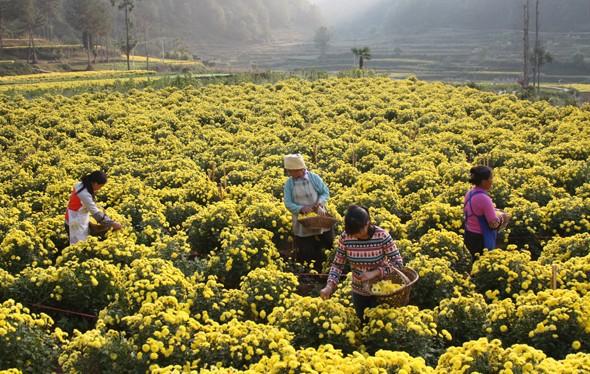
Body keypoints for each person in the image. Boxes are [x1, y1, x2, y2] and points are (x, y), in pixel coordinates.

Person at [320, 205, 403, 322]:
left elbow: (398, 263)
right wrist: (329, 286)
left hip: (383, 293)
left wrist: (376, 272)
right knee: (362, 323)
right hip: (358, 291)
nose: (355, 235)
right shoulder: (346, 237)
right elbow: (337, 265)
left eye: (358, 231)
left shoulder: (382, 236)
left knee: (382, 326)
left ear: (367, 223)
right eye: (352, 232)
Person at [283, 154, 333, 272]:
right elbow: (288, 203)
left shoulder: (313, 178)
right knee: (306, 250)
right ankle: (311, 273)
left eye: (292, 171)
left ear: (299, 169)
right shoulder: (289, 184)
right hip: (302, 221)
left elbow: (325, 192)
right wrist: (301, 208)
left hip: (320, 216)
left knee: (328, 243)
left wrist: (320, 203)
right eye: (289, 171)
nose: (290, 174)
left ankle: (329, 268)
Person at [463, 166, 509, 259]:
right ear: (484, 181)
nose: (492, 181)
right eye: (490, 178)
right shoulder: (484, 198)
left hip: (469, 235)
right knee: (482, 262)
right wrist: (502, 217)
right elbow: (493, 224)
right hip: (481, 238)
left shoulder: (470, 193)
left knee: (473, 262)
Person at [65, 171, 122, 245]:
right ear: (95, 183)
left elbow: (85, 204)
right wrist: (113, 223)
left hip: (74, 216)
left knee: (81, 242)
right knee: (79, 245)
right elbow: (95, 212)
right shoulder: (84, 194)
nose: (100, 189)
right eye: (100, 186)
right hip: (75, 221)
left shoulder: (80, 184)